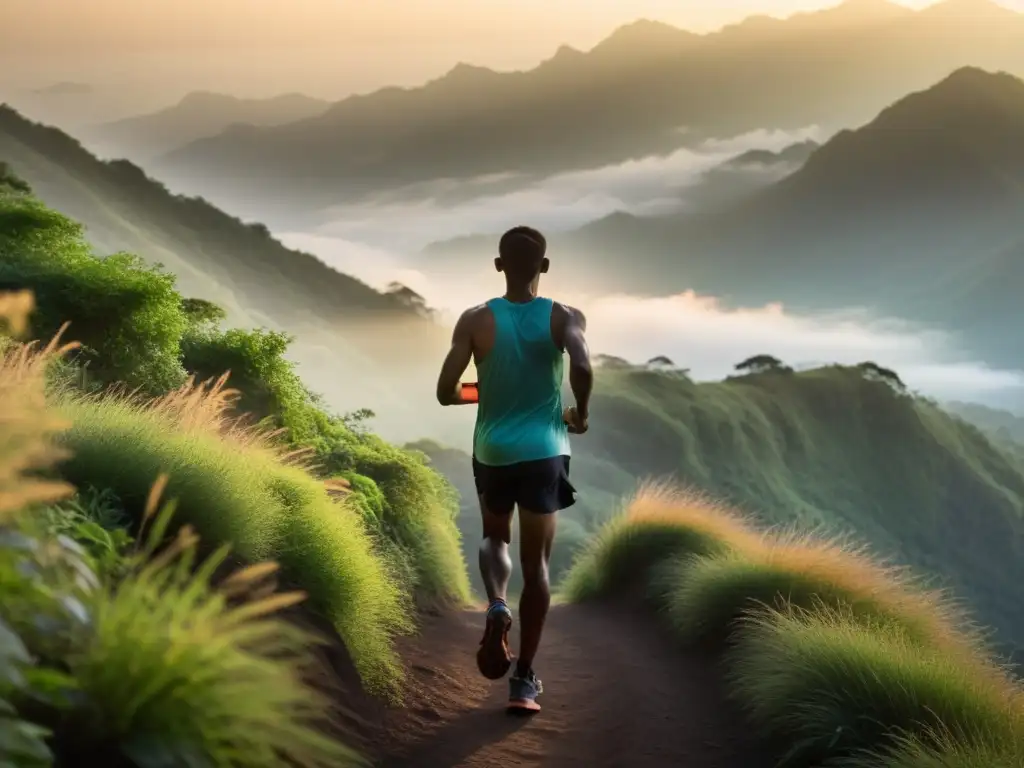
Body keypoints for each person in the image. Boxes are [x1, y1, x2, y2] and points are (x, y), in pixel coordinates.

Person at [435, 225, 593, 714]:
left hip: (494, 451)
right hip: (545, 450)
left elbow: (445, 391)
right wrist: (580, 414)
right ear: (543, 267)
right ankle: (523, 679)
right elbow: (583, 366)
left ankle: (497, 603)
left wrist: (489, 392)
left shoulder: (475, 319)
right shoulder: (564, 316)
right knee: (537, 566)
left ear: (499, 265)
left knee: (494, 536)